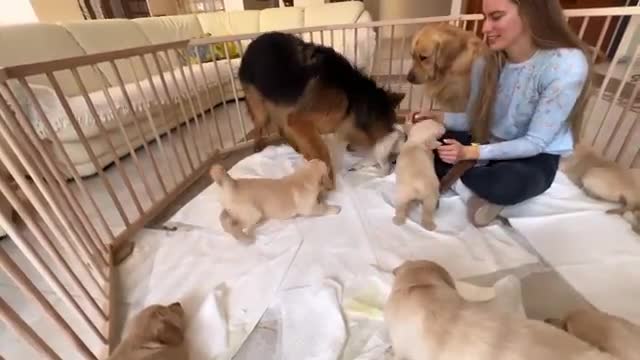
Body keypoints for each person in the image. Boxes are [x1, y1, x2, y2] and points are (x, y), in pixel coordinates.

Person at [417, 0, 593, 227]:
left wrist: (471, 153)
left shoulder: (566, 64)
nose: (485, 29)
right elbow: (475, 120)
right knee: (430, 145)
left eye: (496, 17)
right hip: (487, 141)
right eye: (485, 18)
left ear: (531, 13)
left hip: (534, 156)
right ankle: (468, 184)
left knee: (506, 184)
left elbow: (534, 143)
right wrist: (438, 117)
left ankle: (465, 183)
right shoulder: (486, 62)